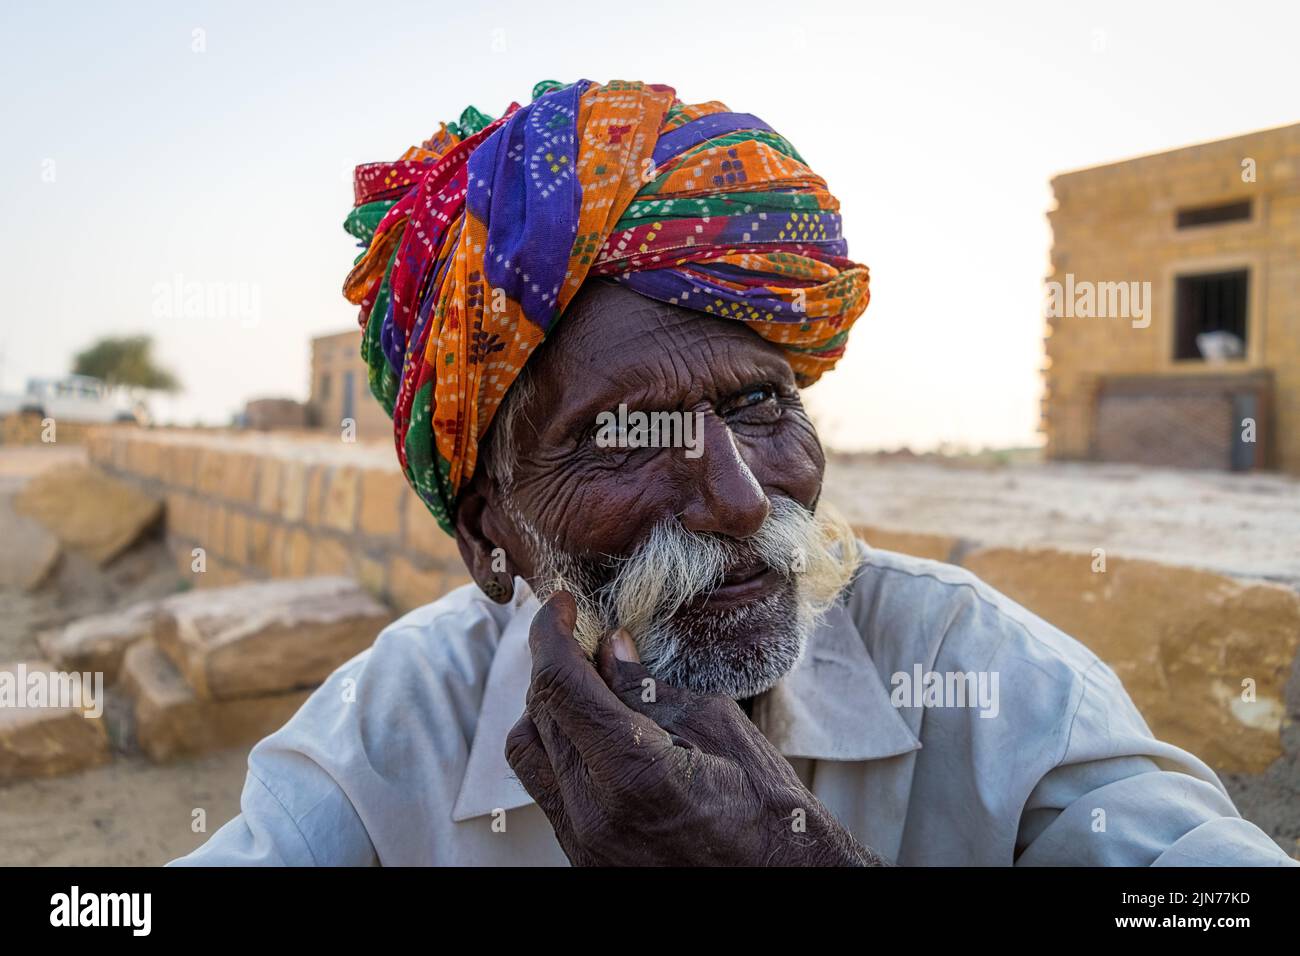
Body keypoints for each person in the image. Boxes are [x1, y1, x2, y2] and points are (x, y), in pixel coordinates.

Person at [173, 79, 1294, 866]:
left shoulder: (966, 666)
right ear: (486, 532)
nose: (744, 498)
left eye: (760, 405)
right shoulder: (395, 728)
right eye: (624, 437)